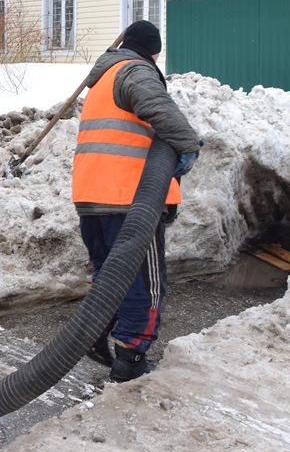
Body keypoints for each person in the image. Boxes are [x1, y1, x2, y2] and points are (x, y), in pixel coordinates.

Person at [72, 20, 202, 382]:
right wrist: (188, 146)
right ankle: (130, 358)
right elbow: (162, 112)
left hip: (91, 196)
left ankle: (94, 336)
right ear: (153, 51)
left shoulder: (102, 78)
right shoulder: (135, 71)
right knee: (145, 283)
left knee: (109, 278)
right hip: (129, 201)